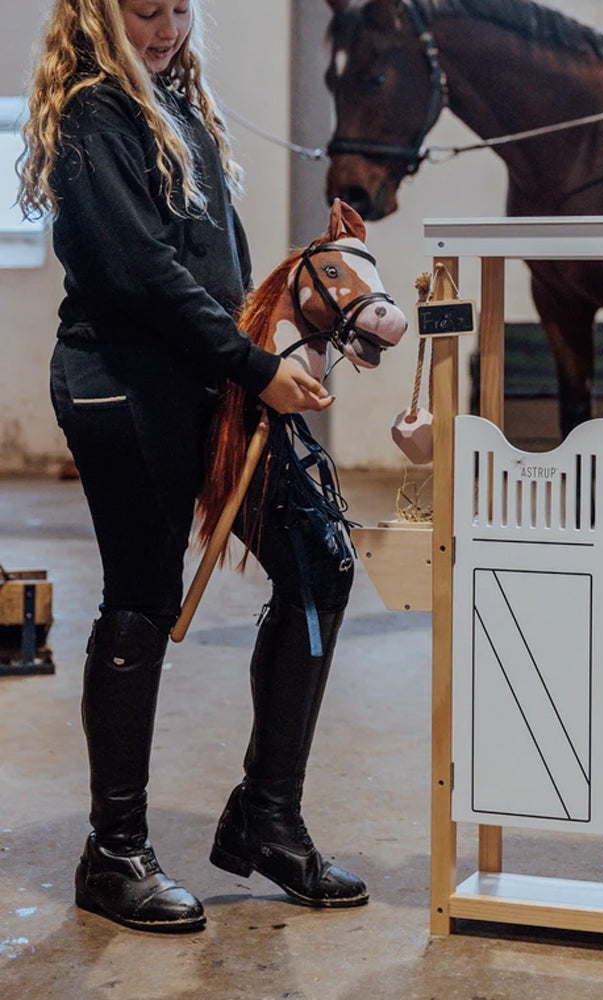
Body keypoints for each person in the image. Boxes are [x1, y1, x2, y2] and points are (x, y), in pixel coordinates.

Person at [17, 0, 368, 933]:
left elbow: (216, 262)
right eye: (144, 11)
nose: (165, 28)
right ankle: (114, 851)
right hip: (120, 383)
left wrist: (268, 345)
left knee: (318, 562)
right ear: (97, 12)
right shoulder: (92, 111)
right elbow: (139, 271)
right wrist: (257, 368)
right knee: (142, 599)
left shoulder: (179, 103)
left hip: (213, 379)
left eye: (178, 10)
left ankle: (268, 816)